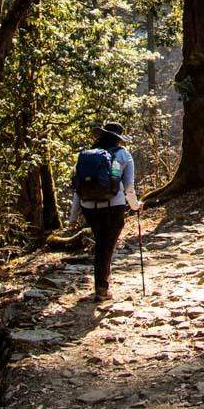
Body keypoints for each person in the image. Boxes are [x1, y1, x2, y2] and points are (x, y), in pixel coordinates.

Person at [70, 121, 141, 302]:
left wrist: (73, 215)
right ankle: (101, 287)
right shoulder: (124, 156)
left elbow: (78, 187)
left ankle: (102, 283)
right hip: (113, 206)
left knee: (102, 243)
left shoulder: (88, 155)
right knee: (105, 246)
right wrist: (135, 206)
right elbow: (129, 188)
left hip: (89, 207)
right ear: (118, 139)